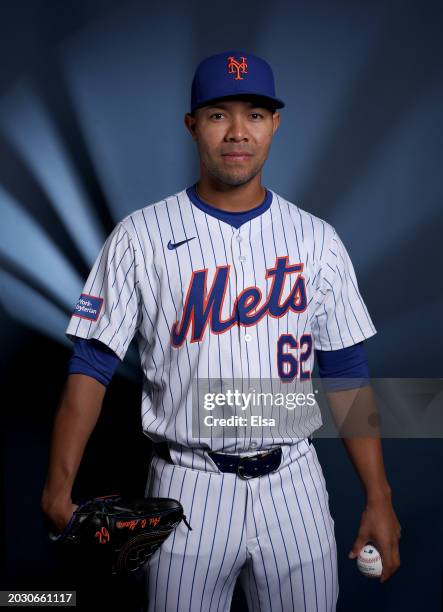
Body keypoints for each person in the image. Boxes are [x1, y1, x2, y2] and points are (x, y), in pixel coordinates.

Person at [41, 50, 401, 611]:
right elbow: (91, 363)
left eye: (255, 114)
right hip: (187, 486)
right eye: (218, 114)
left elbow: (347, 371)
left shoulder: (317, 241)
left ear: (275, 124)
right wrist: (57, 490)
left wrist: (379, 496)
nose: (238, 131)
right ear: (192, 125)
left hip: (295, 487)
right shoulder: (140, 236)